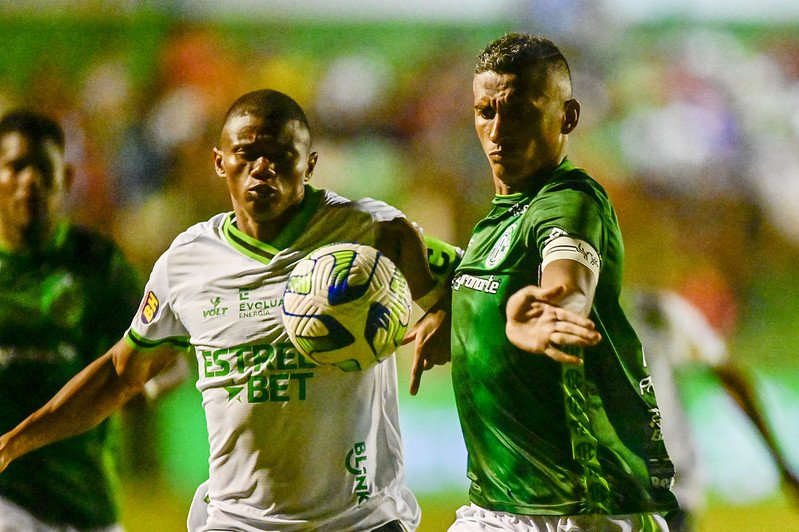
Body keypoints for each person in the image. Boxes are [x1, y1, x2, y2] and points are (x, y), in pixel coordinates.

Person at [0, 89, 454, 531]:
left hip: (360, 521)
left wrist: (441, 308)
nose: (263, 168)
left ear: (310, 164)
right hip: (237, 522)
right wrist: (13, 443)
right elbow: (122, 373)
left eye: (281, 154)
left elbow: (474, 274)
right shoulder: (186, 263)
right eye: (247, 153)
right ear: (220, 161)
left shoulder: (364, 230)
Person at [447, 33, 680, 531]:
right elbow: (491, 283)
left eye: (521, 112)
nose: (498, 131)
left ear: (567, 117)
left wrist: (556, 306)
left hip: (578, 510)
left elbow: (570, 277)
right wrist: (447, 307)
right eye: (485, 111)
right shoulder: (499, 218)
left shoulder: (569, 200)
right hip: (497, 504)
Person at [0, 110, 142, 531]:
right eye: (15, 167)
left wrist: (144, 382)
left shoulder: (99, 264)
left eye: (42, 168)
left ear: (66, 176)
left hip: (85, 498)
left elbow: (155, 355)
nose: (30, 181)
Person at [626, 288, 799, 531]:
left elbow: (728, 375)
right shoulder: (575, 306)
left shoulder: (657, 309)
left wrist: (782, 465)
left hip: (670, 492)